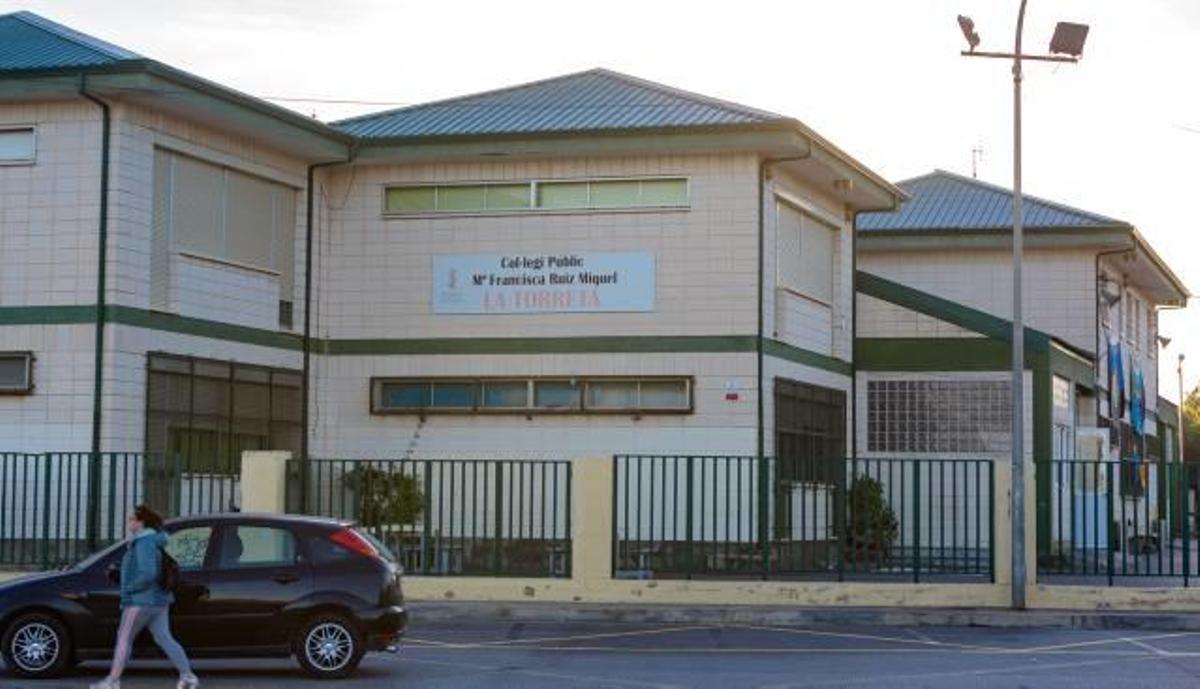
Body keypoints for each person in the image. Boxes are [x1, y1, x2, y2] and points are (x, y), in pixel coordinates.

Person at [91, 505, 199, 689]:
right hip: (158, 600)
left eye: (132, 519)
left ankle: (112, 681)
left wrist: (131, 588)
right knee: (164, 638)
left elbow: (149, 573)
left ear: (141, 523)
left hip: (140, 601)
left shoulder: (144, 542)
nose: (128, 522)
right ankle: (188, 677)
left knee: (124, 638)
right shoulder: (152, 540)